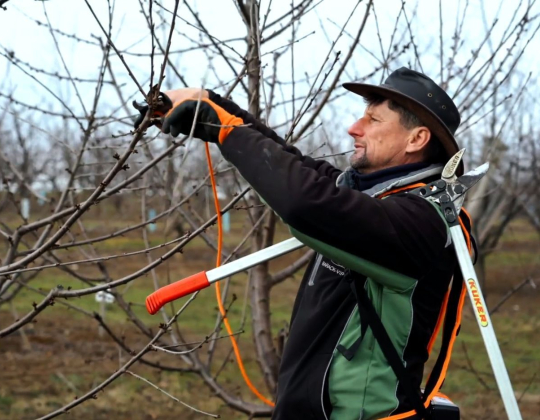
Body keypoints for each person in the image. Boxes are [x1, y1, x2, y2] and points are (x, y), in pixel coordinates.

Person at [138, 67, 471, 420]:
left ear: (416, 139)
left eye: (373, 120)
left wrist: (224, 128)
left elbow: (307, 203)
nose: (354, 128)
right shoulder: (373, 197)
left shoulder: (422, 223)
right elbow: (294, 164)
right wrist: (212, 105)